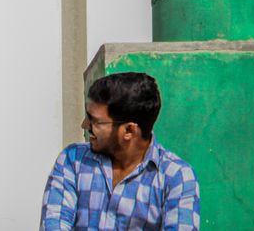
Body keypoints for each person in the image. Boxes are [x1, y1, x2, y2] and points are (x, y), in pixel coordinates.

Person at [41, 72, 199, 230]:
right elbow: (53, 224)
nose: (84, 125)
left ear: (129, 130)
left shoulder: (177, 177)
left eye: (94, 120)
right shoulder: (72, 159)